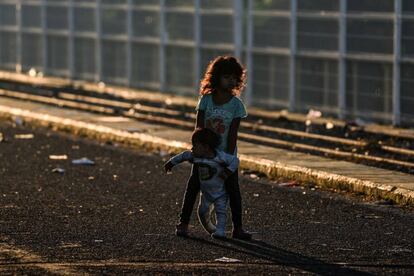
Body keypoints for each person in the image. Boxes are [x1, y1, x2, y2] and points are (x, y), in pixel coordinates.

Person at [175, 55, 251, 240]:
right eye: (227, 76)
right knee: (194, 185)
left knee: (233, 190)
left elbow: (233, 133)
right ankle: (183, 223)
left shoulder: (236, 105)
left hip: (225, 154)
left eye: (234, 77)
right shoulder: (206, 100)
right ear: (216, 77)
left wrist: (229, 157)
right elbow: (199, 127)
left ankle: (238, 228)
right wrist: (197, 148)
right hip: (204, 153)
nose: (231, 80)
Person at [164, 128, 239, 239]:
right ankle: (211, 228)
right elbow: (184, 155)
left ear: (206, 147)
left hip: (220, 193)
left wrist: (228, 172)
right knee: (202, 212)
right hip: (205, 194)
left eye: (195, 145)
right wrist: (171, 163)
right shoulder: (196, 156)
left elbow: (235, 160)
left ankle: (220, 231)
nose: (192, 148)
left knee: (221, 211)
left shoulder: (220, 157)